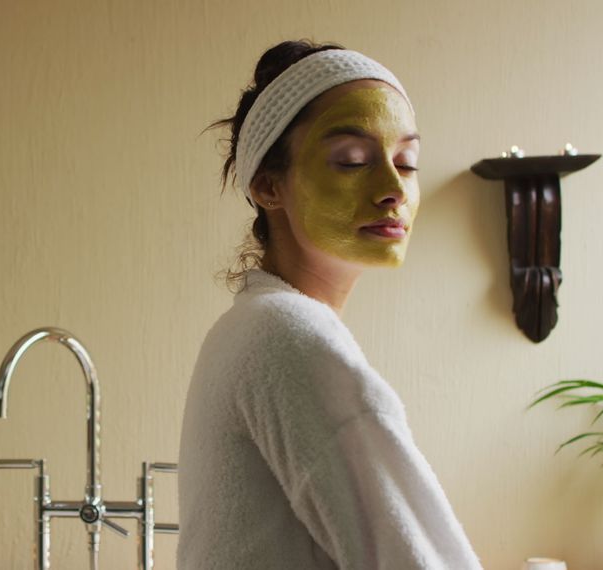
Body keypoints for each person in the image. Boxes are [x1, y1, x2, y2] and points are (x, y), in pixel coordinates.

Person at [177, 40, 483, 569]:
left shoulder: (249, 325)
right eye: (352, 161)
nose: (393, 188)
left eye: (407, 163)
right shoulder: (288, 335)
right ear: (268, 185)